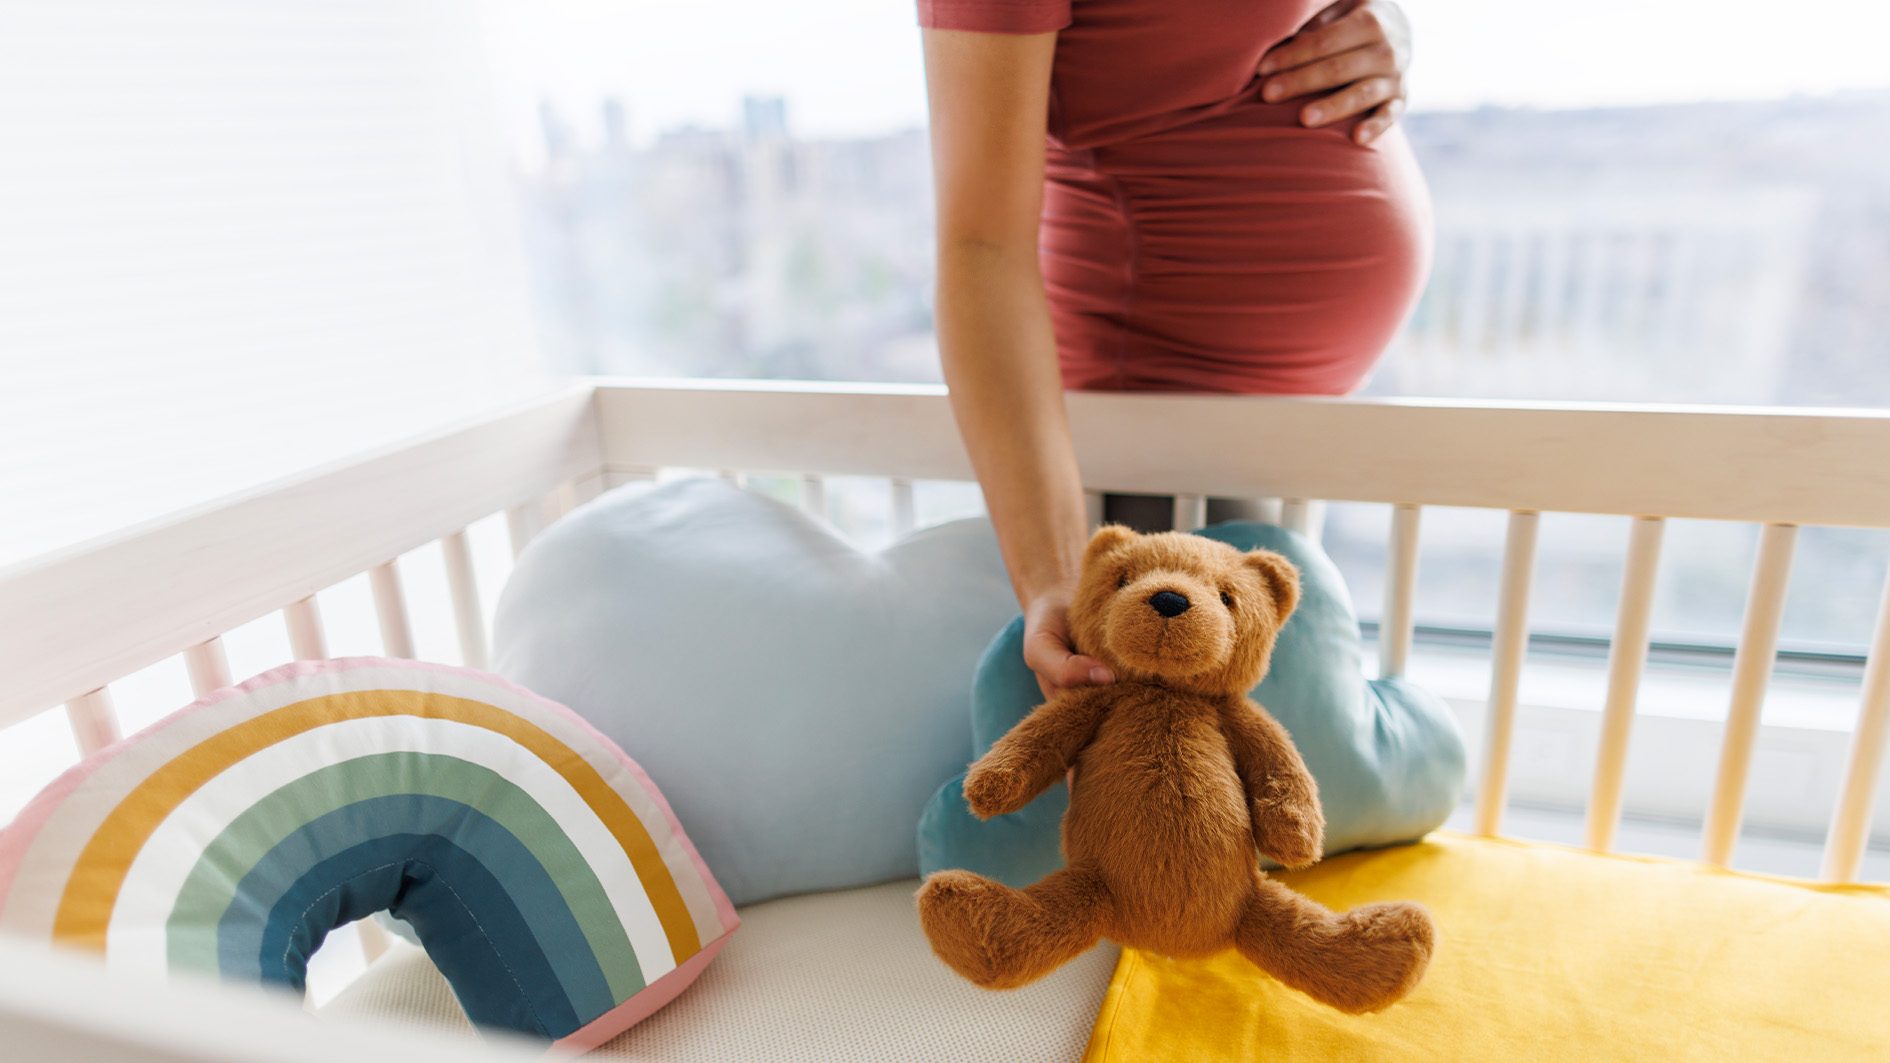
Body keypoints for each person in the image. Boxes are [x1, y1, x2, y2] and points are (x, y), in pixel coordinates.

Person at [919, 0, 1429, 696]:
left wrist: (1385, 24)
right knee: (1160, 765)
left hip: (1278, 426)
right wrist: (1054, 578)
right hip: (1153, 422)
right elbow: (981, 246)